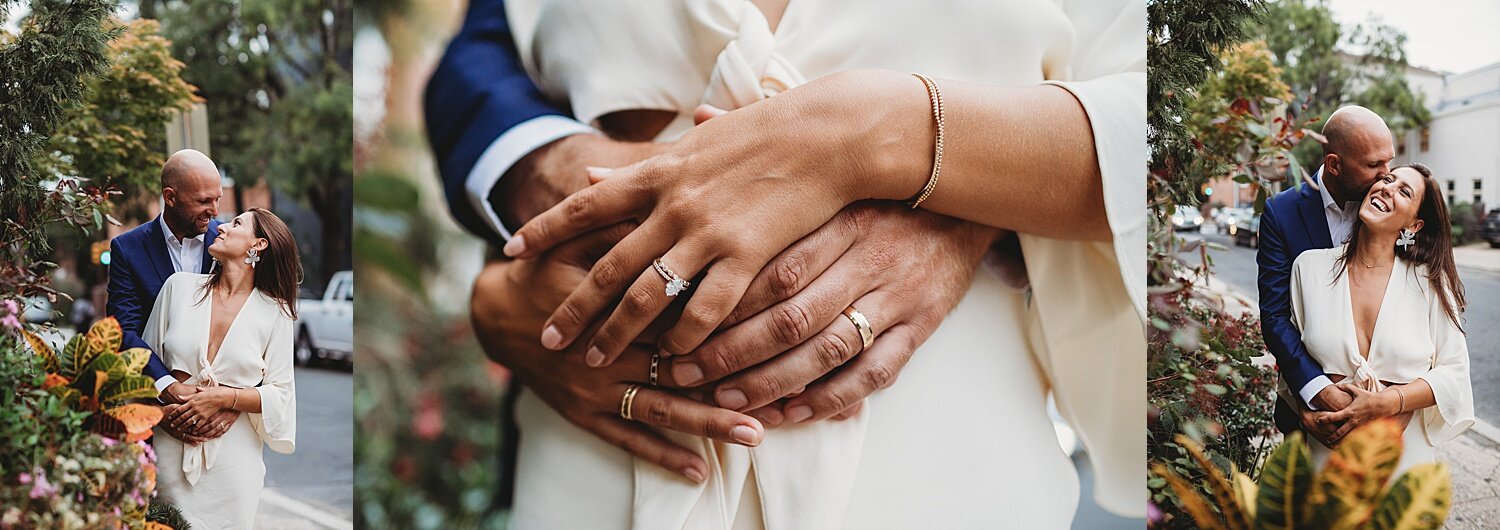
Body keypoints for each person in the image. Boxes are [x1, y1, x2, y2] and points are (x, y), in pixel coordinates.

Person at [430, 0, 1146, 526]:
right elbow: (478, 63)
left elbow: (1163, 128)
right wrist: (539, 177)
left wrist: (891, 140)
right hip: (591, 467)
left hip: (945, 469)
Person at [1288, 164, 1473, 472]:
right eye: (1387, 179)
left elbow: (1454, 376)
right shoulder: (1308, 269)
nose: (1388, 187)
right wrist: (1305, 415)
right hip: (1327, 459)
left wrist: (1389, 402)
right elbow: (1293, 365)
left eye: (1404, 191)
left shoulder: (1429, 283)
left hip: (1403, 461)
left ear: (1414, 225)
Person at [146, 208, 299, 529]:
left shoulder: (276, 312)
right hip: (169, 451)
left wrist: (224, 398)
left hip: (232, 465)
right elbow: (144, 366)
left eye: (237, 223)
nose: (222, 227)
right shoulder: (179, 288)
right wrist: (161, 413)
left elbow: (280, 395)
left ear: (257, 245)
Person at [1257, 106, 1396, 445]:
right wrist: (1316, 395)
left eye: (1389, 161)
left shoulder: (1396, 206)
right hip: (1311, 416)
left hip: (1391, 415)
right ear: (1334, 164)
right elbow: (1276, 317)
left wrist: (1391, 403)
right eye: (1374, 165)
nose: (1387, 174)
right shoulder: (1281, 213)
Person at [107, 149, 238, 444]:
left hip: (223, 419)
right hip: (155, 408)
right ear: (170, 197)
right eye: (204, 201)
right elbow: (123, 330)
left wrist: (234, 402)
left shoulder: (229, 244)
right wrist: (165, 390)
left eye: (217, 198)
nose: (215, 211)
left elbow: (251, 323)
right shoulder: (127, 250)